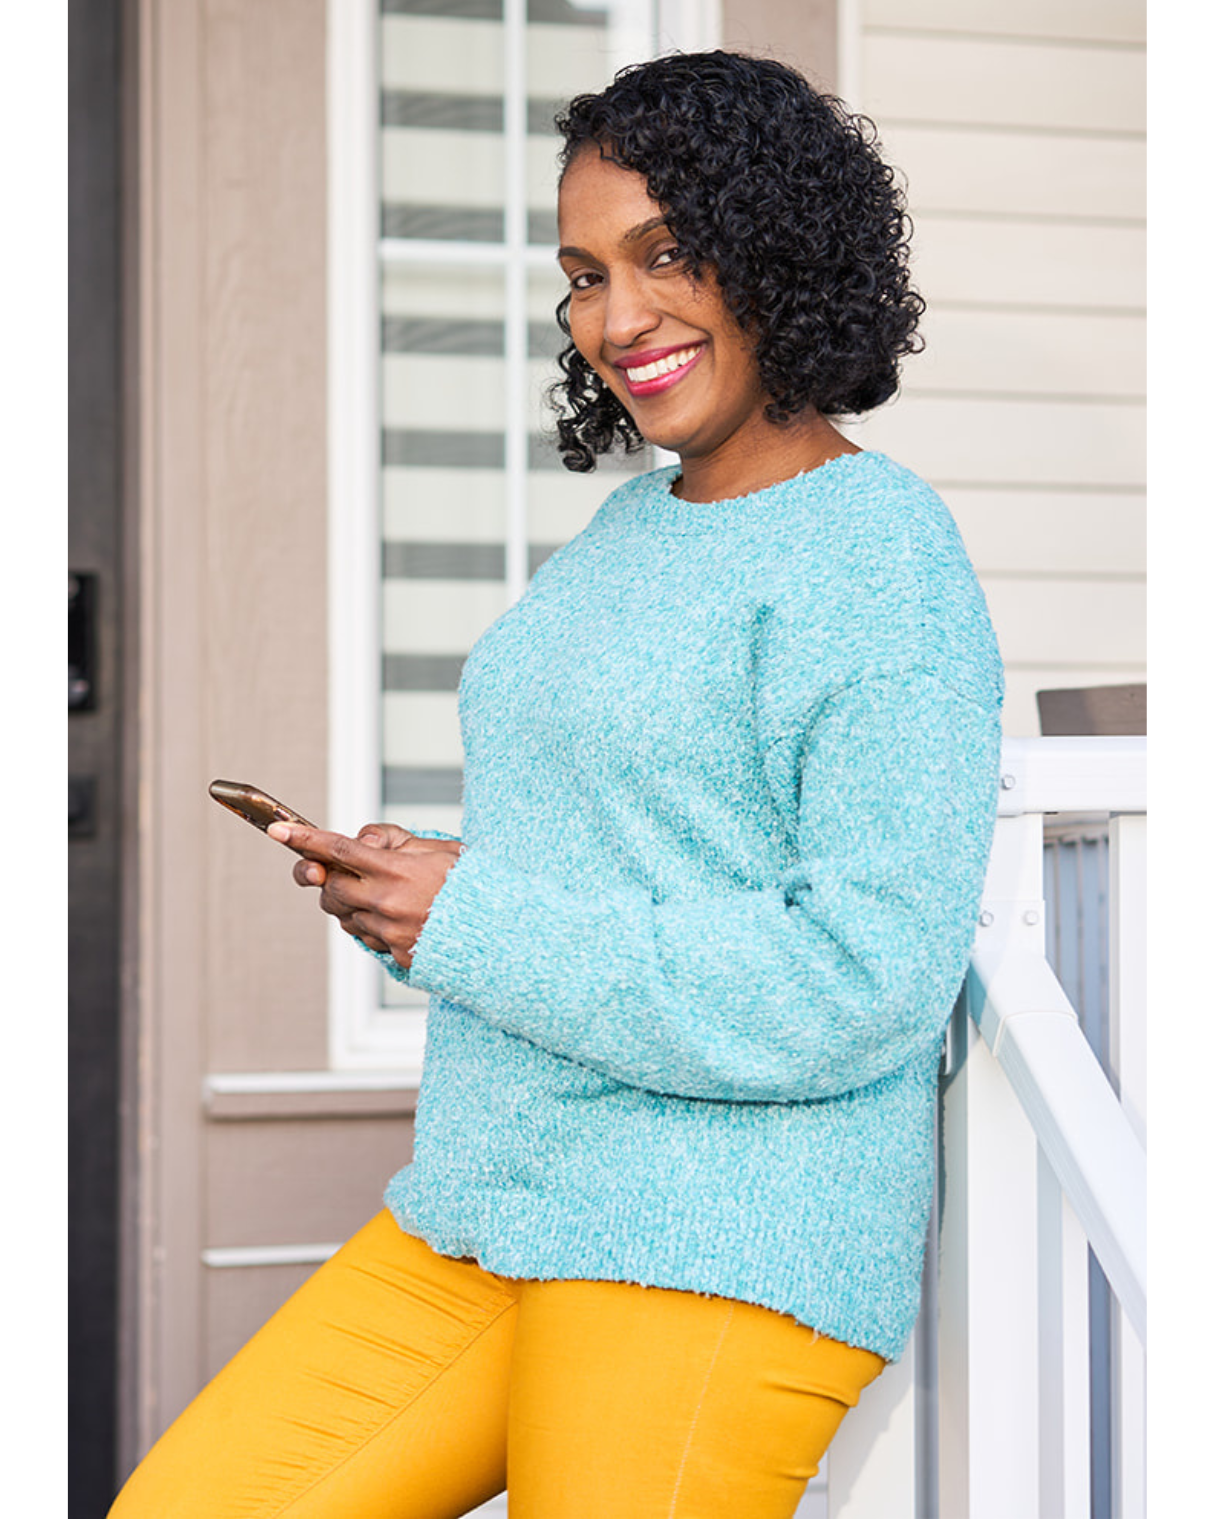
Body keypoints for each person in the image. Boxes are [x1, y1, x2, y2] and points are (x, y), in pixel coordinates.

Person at [111, 51, 1002, 1519]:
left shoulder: (878, 554)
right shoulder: (626, 531)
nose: (617, 315)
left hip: (718, 1227)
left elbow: (863, 971)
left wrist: (475, 920)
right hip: (495, 1196)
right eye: (582, 273)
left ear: (779, 250)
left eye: (667, 254)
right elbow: (618, 848)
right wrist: (422, 892)